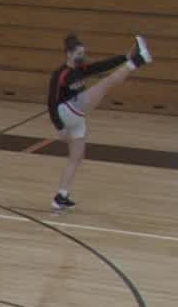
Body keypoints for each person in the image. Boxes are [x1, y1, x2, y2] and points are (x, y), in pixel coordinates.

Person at [45, 33, 153, 211]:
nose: (82, 56)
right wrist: (60, 127)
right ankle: (139, 59)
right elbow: (50, 102)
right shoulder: (61, 74)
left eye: (83, 53)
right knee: (106, 84)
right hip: (66, 111)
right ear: (69, 54)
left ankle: (60, 197)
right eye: (78, 53)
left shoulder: (81, 68)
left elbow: (101, 65)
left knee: (76, 158)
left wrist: (123, 57)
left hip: (77, 116)